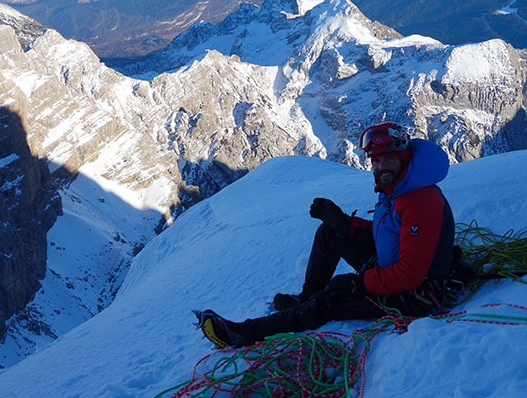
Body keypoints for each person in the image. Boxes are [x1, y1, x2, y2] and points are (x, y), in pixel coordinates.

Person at [197, 122, 461, 349]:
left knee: (330, 299)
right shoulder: (400, 188)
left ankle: (244, 334)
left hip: (415, 294)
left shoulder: (419, 200)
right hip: (390, 268)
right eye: (376, 160)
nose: (381, 167)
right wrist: (345, 225)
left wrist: (360, 283)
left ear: (404, 158)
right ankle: (304, 299)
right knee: (329, 233)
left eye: (388, 159)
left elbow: (408, 275)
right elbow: (390, 236)